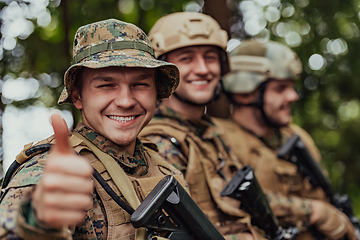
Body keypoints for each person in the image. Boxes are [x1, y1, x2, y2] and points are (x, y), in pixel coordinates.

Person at [0, 18, 185, 240]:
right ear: (77, 96)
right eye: (106, 85)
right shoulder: (51, 170)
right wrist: (37, 221)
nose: (126, 101)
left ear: (156, 92)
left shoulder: (165, 168)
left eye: (140, 84)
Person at [140, 12, 265, 240]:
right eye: (186, 59)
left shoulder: (210, 133)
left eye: (210, 57)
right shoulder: (159, 142)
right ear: (163, 72)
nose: (203, 69)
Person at [214, 39, 356, 240]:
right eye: (280, 89)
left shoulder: (296, 137)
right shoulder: (219, 138)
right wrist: (314, 211)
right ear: (245, 93)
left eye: (291, 87)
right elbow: (230, 202)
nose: (292, 96)